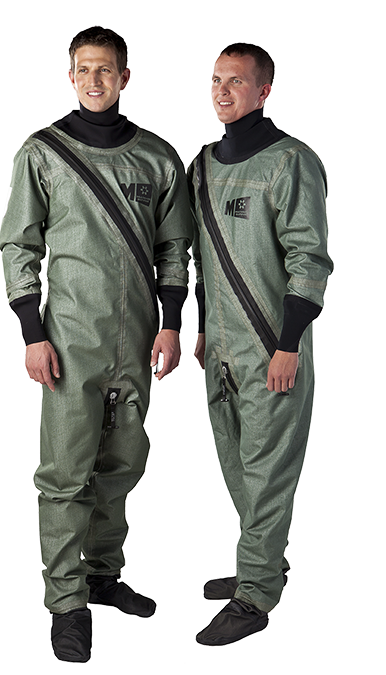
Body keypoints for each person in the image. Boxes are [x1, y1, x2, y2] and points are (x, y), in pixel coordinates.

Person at [0, 26, 192, 663]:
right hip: (69, 339)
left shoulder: (157, 158)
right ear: (70, 75)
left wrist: (170, 322)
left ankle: (103, 576)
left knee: (122, 464)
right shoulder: (43, 154)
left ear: (124, 77)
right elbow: (19, 245)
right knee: (64, 473)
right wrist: (32, 332)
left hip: (137, 339)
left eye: (105, 69)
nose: (93, 80)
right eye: (83, 69)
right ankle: (66, 602)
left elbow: (173, 249)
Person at [188, 42, 333, 646]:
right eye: (216, 80)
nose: (223, 91)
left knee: (268, 472)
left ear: (264, 90)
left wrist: (289, 343)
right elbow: (202, 258)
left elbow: (309, 259)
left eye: (237, 81)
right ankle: (263, 563)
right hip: (221, 351)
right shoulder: (201, 166)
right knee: (240, 467)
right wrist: (202, 328)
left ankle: (255, 595)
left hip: (274, 348)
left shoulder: (291, 162)